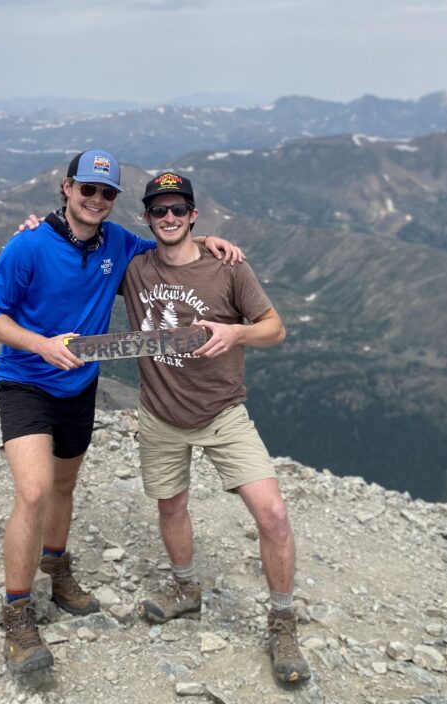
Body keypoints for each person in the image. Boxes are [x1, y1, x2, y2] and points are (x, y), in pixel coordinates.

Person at [0, 150, 242, 673]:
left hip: (79, 386)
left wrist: (206, 240)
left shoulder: (118, 244)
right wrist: (40, 345)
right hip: (26, 380)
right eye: (87, 189)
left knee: (65, 486)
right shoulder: (28, 245)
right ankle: (18, 612)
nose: (96, 200)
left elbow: (167, 252)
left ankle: (57, 565)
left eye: (107, 193)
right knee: (33, 490)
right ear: (66, 188)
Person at [120, 171, 312, 684]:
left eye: (177, 210)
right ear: (147, 218)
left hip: (224, 412)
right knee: (171, 505)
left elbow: (275, 329)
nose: (168, 218)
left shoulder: (228, 269)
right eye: (158, 211)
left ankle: (282, 620)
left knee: (271, 514)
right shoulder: (134, 267)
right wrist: (34, 227)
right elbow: (80, 248)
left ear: (193, 214)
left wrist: (236, 333)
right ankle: (185, 588)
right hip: (160, 412)